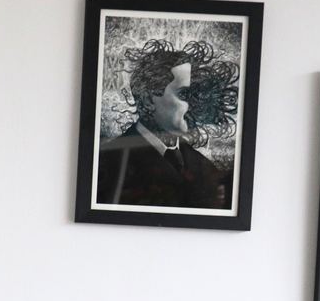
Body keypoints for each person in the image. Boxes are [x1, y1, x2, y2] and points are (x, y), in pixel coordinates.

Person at [95, 40, 238, 209]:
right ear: (148, 100)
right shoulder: (108, 161)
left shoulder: (204, 165)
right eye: (184, 94)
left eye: (197, 94)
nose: (196, 105)